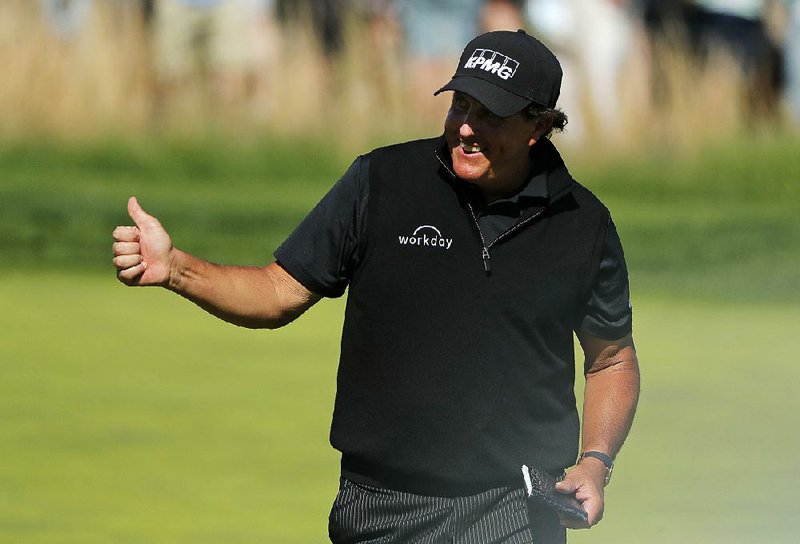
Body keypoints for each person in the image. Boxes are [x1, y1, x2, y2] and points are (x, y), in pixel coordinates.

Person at [112, 29, 640, 544]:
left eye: (491, 115)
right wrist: (175, 267)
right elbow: (277, 293)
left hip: (515, 508)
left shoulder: (583, 224)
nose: (465, 128)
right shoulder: (382, 181)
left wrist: (595, 463)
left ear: (538, 126)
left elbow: (611, 359)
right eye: (460, 105)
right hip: (381, 503)